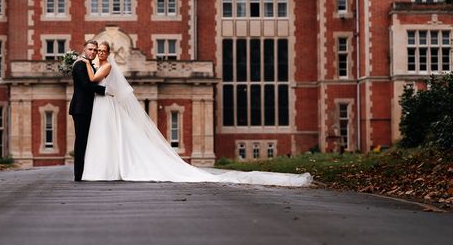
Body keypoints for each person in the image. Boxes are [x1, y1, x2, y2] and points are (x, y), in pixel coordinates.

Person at [80, 41, 312, 187]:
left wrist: (81, 62)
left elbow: (91, 80)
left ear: (108, 53)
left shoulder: (104, 66)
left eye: (102, 50)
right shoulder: (96, 64)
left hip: (106, 102)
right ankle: (106, 167)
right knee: (105, 135)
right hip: (104, 103)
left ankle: (112, 167)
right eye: (96, 50)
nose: (99, 53)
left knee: (113, 134)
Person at [69, 40, 106, 181]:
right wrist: (106, 91)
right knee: (81, 141)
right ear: (84, 49)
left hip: (88, 108)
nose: (93, 52)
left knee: (88, 141)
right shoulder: (79, 65)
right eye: (90, 49)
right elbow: (86, 85)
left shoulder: (89, 65)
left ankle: (87, 171)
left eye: (95, 50)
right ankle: (78, 175)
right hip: (80, 109)